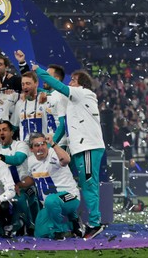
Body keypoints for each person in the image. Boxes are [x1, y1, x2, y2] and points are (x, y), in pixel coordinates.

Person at [34, 66, 106, 239]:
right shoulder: (75, 100)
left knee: (89, 184)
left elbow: (59, 87)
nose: (70, 82)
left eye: (73, 80)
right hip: (81, 147)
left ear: (80, 84)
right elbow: (54, 92)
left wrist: (39, 71)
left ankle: (95, 224)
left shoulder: (83, 93)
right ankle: (81, 222)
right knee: (83, 182)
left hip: (88, 146)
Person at [19, 132, 82, 239]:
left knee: (51, 200)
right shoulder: (31, 161)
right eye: (37, 145)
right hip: (49, 204)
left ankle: (59, 232)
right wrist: (18, 185)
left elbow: (66, 160)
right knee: (40, 233)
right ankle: (73, 225)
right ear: (31, 149)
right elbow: (32, 179)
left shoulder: (54, 153)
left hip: (70, 196)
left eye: (43, 144)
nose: (41, 148)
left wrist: (53, 143)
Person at [0, 120, 37, 236]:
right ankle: (9, 224)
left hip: (25, 186)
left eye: (5, 130)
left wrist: (0, 157)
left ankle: (30, 224)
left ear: (11, 132)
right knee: (1, 232)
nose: (1, 133)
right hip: (8, 188)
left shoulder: (20, 145)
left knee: (20, 198)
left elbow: (18, 160)